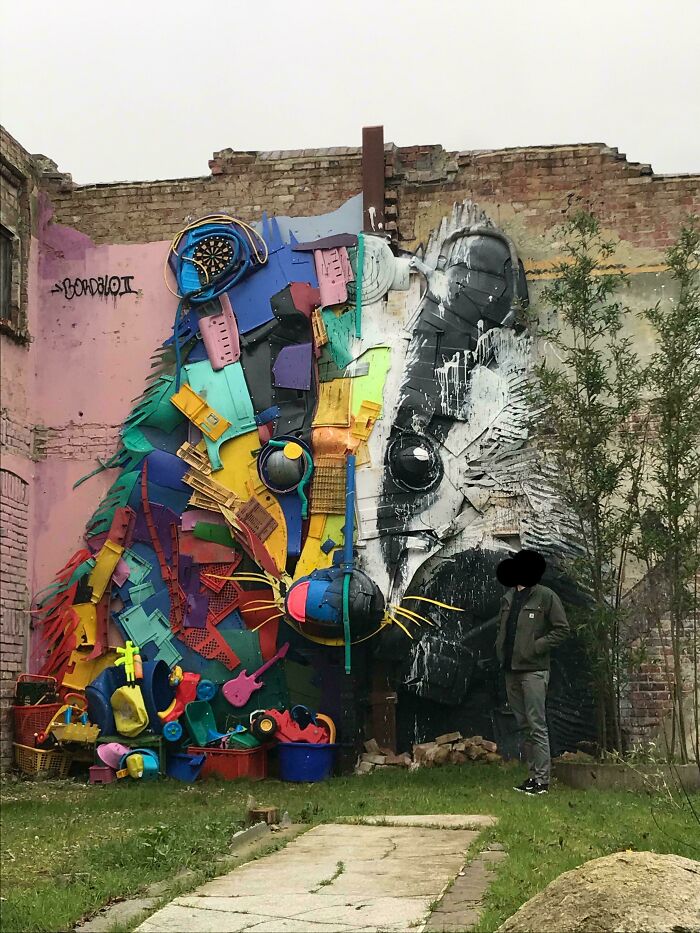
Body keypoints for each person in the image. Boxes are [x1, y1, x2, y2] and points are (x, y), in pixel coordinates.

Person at [495, 549, 569, 795]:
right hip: (511, 670)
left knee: (537, 725)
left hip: (534, 671)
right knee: (524, 725)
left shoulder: (546, 596)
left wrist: (537, 647)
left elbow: (561, 630)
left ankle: (543, 781)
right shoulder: (508, 597)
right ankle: (531, 777)